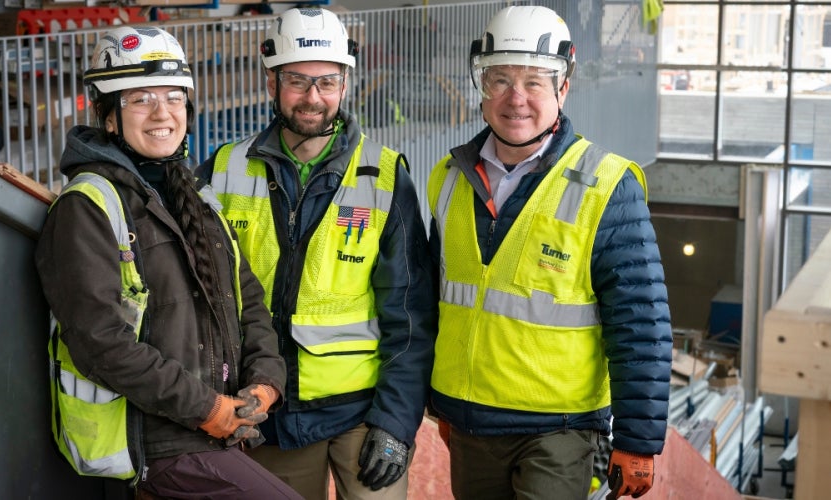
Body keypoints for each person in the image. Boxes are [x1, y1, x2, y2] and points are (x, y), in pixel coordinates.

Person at [35, 25, 302, 499]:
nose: (163, 113)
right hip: (157, 444)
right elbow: (101, 344)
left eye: (174, 98)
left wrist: (264, 383)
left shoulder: (193, 194)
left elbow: (249, 302)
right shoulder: (88, 207)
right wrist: (208, 410)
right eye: (141, 99)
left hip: (215, 431)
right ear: (109, 117)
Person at [426, 6, 672, 500]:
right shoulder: (448, 178)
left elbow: (640, 321)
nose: (515, 99)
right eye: (499, 80)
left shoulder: (607, 185)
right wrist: (441, 403)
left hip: (558, 427)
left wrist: (638, 441)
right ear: (481, 85)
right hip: (471, 422)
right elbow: (431, 301)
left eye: (535, 82)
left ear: (563, 88)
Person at [195, 8, 436, 500]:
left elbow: (410, 315)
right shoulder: (222, 171)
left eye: (326, 81)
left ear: (345, 83)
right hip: (268, 411)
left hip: (363, 413)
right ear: (271, 83)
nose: (313, 97)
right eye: (297, 81)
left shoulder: (385, 178)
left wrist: (395, 424)